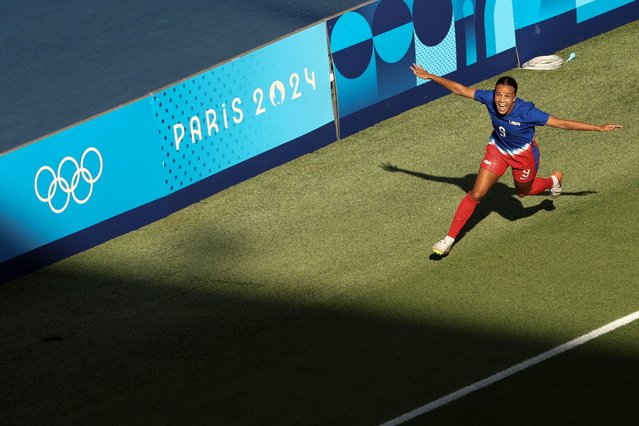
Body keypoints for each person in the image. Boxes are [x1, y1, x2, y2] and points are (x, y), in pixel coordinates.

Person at [409, 64, 623, 256]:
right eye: (499, 95)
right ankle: (448, 240)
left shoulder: (528, 112)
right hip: (498, 150)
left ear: (514, 97)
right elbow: (460, 89)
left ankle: (553, 181)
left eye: (507, 96)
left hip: (524, 155)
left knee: (523, 193)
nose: (501, 101)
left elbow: (561, 123)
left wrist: (597, 127)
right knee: (476, 194)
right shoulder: (488, 99)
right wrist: (430, 76)